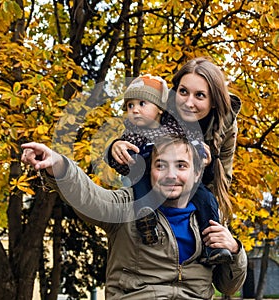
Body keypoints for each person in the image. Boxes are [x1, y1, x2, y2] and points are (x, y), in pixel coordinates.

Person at [21, 135, 247, 300]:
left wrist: (235, 250)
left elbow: (228, 286)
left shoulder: (209, 218)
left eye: (181, 166)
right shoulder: (129, 206)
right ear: (150, 171)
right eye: (161, 165)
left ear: (197, 172)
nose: (171, 175)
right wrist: (58, 165)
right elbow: (90, 198)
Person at [105, 74, 232, 265]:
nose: (135, 111)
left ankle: (213, 245)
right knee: (139, 183)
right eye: (130, 106)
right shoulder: (131, 134)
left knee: (206, 198)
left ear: (159, 109)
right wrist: (115, 151)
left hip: (180, 180)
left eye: (142, 104)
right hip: (148, 178)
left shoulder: (173, 125)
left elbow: (190, 141)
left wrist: (203, 155)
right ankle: (146, 219)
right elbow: (122, 164)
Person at [168, 57, 242, 221]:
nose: (188, 103)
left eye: (200, 95)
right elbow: (133, 135)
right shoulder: (159, 108)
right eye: (183, 91)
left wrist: (208, 167)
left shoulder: (225, 125)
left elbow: (222, 181)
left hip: (199, 192)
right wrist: (116, 146)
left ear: (214, 101)